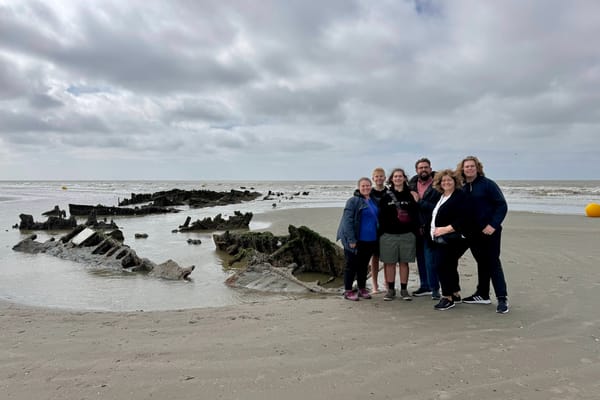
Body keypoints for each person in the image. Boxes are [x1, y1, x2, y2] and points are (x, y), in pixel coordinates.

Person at [457, 156, 510, 314]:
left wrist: (493, 225)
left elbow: (502, 205)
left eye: (472, 166)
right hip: (472, 233)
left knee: (493, 262)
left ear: (477, 168)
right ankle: (482, 294)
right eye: (467, 167)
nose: (470, 169)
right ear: (463, 169)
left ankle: (502, 298)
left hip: (489, 231)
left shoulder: (488, 184)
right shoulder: (462, 187)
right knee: (481, 262)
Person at [428, 169, 469, 310]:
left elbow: (464, 218)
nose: (446, 182)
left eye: (449, 180)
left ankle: (447, 297)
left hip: (451, 238)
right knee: (450, 265)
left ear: (455, 181)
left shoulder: (459, 196)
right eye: (443, 180)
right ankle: (455, 293)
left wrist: (445, 229)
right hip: (441, 238)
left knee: (441, 265)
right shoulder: (443, 195)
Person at [378, 168, 419, 301]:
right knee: (389, 263)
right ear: (391, 179)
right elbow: (381, 216)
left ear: (404, 178)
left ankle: (404, 290)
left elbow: (415, 214)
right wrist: (383, 232)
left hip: (407, 235)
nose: (398, 178)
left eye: (400, 176)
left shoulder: (410, 195)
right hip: (388, 235)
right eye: (395, 176)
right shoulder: (386, 196)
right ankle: (390, 290)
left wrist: (414, 231)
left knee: (404, 263)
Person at [336, 177, 380, 301]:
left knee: (363, 266)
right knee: (351, 265)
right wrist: (351, 240)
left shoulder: (373, 200)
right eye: (363, 186)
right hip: (356, 239)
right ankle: (348, 291)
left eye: (368, 186)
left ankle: (362, 288)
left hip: (370, 239)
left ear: (371, 187)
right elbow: (347, 222)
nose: (366, 188)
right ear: (359, 187)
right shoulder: (353, 201)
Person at [408, 158, 442, 299]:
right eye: (421, 167)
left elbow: (438, 208)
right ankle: (424, 286)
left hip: (431, 227)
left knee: (431, 259)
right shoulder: (412, 185)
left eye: (426, 167)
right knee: (420, 259)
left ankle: (435, 288)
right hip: (416, 228)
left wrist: (419, 202)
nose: (423, 170)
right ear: (416, 170)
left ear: (430, 168)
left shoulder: (438, 185)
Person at [369, 167, 387, 294]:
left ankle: (387, 283)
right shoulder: (368, 193)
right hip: (372, 229)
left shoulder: (389, 192)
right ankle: (374, 285)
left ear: (385, 178)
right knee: (374, 258)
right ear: (373, 178)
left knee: (387, 258)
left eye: (381, 176)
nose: (379, 178)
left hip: (386, 229)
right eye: (377, 176)